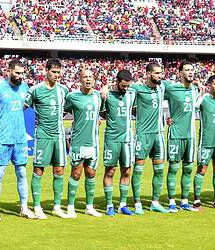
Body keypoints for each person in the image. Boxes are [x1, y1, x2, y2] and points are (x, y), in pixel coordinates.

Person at [0, 59, 36, 221]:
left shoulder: (25, 88)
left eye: (22, 73)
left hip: (20, 139)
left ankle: (24, 208)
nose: (20, 76)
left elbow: (23, 107)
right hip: (2, 139)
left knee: (22, 173)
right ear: (8, 70)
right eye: (17, 73)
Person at [25, 59, 69, 219]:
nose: (57, 75)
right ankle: (37, 207)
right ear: (46, 71)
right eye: (54, 72)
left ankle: (57, 207)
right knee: (38, 169)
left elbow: (71, 108)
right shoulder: (35, 90)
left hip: (59, 136)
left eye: (58, 72)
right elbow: (21, 108)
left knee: (59, 170)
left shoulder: (63, 90)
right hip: (42, 135)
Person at [130, 63, 169, 215]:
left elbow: (182, 85)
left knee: (159, 170)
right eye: (157, 73)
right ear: (148, 74)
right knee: (138, 170)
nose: (160, 76)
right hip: (143, 134)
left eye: (161, 73)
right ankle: (138, 203)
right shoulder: (137, 89)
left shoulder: (163, 87)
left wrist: (196, 83)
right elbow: (120, 87)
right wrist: (107, 88)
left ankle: (155, 202)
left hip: (158, 134)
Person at [165, 61, 202, 212]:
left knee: (188, 169)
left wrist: (201, 90)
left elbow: (198, 104)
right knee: (173, 168)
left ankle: (185, 201)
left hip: (190, 135)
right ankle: (172, 201)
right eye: (187, 70)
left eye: (192, 70)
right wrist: (166, 116)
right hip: (175, 134)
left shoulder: (195, 89)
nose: (190, 72)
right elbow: (154, 97)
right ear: (180, 73)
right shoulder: (171, 88)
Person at [65, 69, 102, 218]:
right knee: (76, 173)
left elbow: (105, 113)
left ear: (94, 79)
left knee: (91, 173)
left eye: (90, 77)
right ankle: (70, 207)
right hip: (78, 142)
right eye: (85, 77)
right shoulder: (72, 96)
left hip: (93, 142)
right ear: (80, 79)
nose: (88, 79)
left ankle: (89, 207)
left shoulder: (99, 96)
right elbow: (62, 111)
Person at [102, 69, 135, 216]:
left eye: (128, 85)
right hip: (112, 138)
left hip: (127, 139)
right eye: (123, 86)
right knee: (110, 171)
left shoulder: (132, 94)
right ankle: (109, 205)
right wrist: (105, 88)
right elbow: (102, 112)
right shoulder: (107, 95)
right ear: (117, 82)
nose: (126, 88)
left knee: (127, 171)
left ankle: (122, 204)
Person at [192, 75, 215, 211]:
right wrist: (200, 92)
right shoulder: (204, 99)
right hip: (205, 141)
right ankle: (196, 200)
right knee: (202, 169)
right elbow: (194, 107)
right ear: (209, 85)